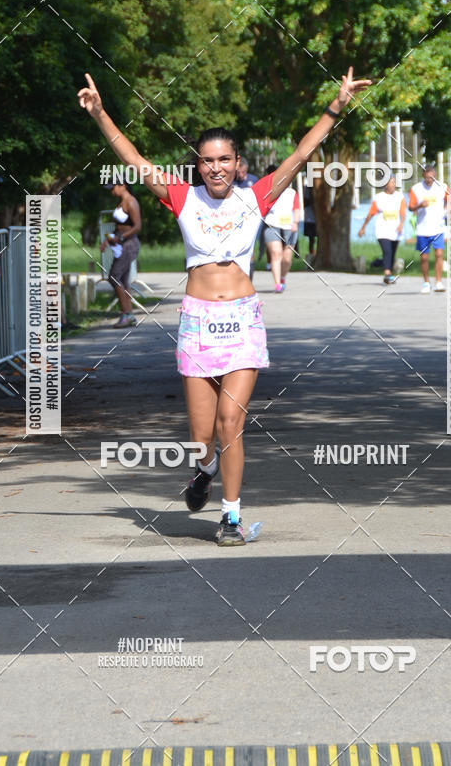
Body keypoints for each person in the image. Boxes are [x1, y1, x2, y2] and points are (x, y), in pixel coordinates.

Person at [78, 68, 371, 545]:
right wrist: (100, 113)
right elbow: (132, 156)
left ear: (238, 164)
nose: (216, 167)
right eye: (208, 160)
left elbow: (301, 154)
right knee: (201, 434)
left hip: (241, 322)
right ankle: (203, 470)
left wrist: (336, 105)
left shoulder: (256, 197)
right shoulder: (181, 197)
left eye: (225, 160)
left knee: (230, 421)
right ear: (198, 165)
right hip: (196, 322)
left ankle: (231, 517)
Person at [100, 180, 142, 327]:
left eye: (113, 188)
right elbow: (120, 226)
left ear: (122, 185)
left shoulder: (131, 202)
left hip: (129, 245)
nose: (112, 191)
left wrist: (121, 237)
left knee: (113, 277)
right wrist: (109, 239)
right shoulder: (121, 202)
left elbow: (137, 226)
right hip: (121, 244)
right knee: (123, 281)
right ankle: (128, 314)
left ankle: (127, 314)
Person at [409, 164, 450, 293]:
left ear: (435, 175)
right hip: (422, 228)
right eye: (427, 178)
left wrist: (446, 212)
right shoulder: (416, 189)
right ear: (423, 176)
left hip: (438, 227)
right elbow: (410, 207)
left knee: (439, 254)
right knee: (424, 257)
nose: (429, 180)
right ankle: (426, 283)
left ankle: (438, 282)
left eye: (432, 178)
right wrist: (420, 205)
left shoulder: (442, 187)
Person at [358, 174, 406, 283]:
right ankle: (387, 274)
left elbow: (403, 212)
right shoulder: (379, 197)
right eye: (391, 182)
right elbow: (371, 213)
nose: (393, 184)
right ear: (385, 184)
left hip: (396, 230)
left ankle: (381, 266)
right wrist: (363, 227)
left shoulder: (400, 197)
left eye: (394, 182)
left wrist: (401, 224)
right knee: (387, 251)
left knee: (392, 252)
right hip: (382, 230)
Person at [263, 165, 300, 293]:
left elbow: (296, 209)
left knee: (287, 258)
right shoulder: (266, 192)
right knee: (276, 254)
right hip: (272, 225)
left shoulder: (291, 192)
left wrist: (295, 222)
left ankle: (283, 277)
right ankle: (277, 283)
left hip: (289, 226)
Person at [302, 183, 317, 263]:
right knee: (311, 238)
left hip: (317, 219)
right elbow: (304, 202)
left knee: (319, 238)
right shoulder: (306, 188)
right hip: (309, 218)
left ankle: (316, 253)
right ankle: (311, 254)